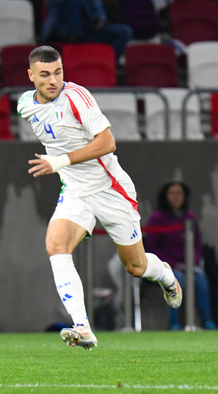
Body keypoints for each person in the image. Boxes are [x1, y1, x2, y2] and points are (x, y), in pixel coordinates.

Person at [20, 46, 182, 350]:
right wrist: (64, 165)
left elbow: (108, 142)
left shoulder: (77, 97)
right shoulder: (25, 106)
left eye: (58, 72)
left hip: (110, 189)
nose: (53, 80)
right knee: (56, 244)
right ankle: (82, 327)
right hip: (75, 191)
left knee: (135, 266)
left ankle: (165, 275)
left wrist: (61, 161)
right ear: (31, 76)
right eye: (44, 74)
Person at [146, 181, 217, 330]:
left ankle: (207, 321)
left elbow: (197, 244)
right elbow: (152, 248)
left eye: (179, 193)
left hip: (189, 264)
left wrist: (193, 262)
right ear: (165, 196)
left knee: (201, 279)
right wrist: (173, 264)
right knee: (177, 279)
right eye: (171, 193)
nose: (175, 197)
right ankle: (174, 323)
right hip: (168, 265)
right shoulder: (157, 217)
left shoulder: (189, 217)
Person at [42, 0, 133, 59]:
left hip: (88, 29)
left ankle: (108, 63)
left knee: (124, 32)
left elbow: (97, 11)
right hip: (63, 31)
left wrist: (100, 18)